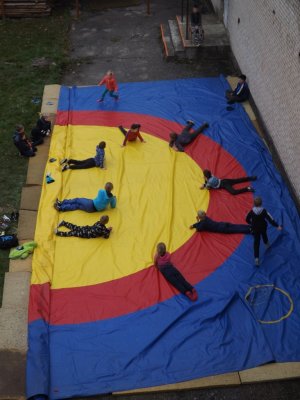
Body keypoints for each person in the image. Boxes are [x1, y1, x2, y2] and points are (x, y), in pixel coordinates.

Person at [246, 197, 282, 266]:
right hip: (263, 227)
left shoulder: (251, 211)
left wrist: (251, 223)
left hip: (255, 228)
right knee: (264, 235)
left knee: (256, 242)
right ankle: (267, 245)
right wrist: (277, 226)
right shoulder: (264, 211)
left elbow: (247, 219)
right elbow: (270, 219)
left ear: (254, 204)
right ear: (261, 204)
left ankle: (256, 258)